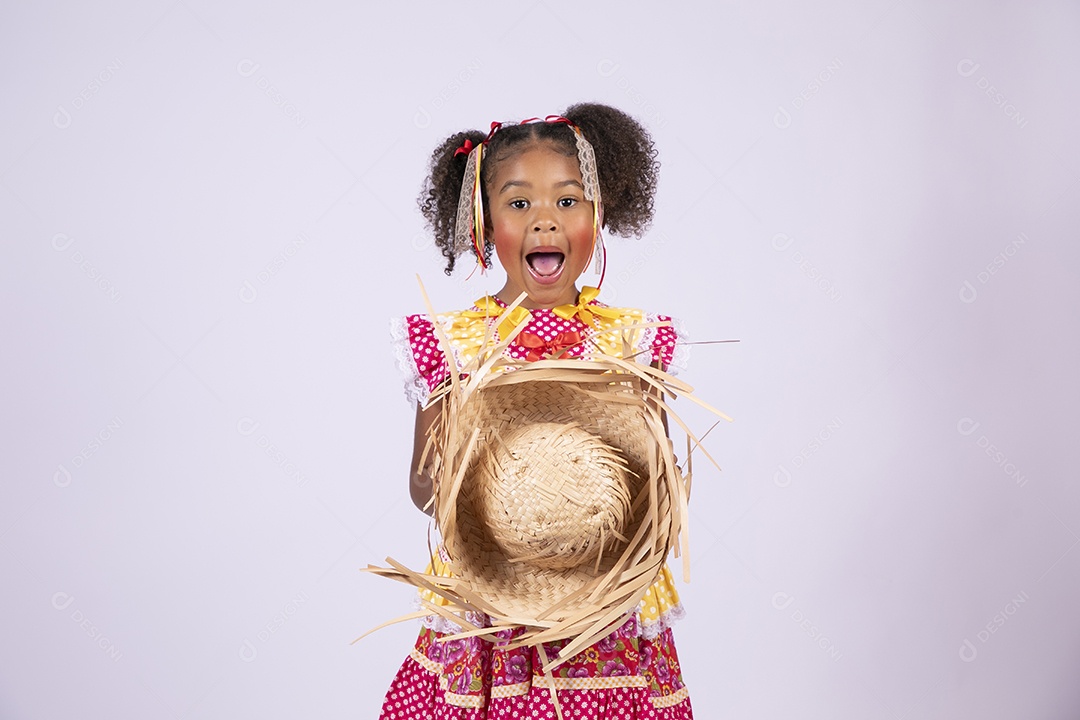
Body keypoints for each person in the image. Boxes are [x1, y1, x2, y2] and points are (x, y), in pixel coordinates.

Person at [382, 103, 693, 718]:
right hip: (490, 600)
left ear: (599, 215)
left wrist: (643, 507)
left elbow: (659, 476)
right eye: (519, 204)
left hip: (603, 603)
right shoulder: (457, 343)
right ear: (482, 222)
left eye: (568, 202)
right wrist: (481, 490)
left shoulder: (629, 342)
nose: (545, 222)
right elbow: (421, 485)